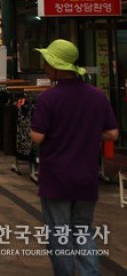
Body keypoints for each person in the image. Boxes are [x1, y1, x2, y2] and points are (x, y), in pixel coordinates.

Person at [30, 39, 118, 275]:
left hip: (57, 178)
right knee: (83, 231)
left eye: (48, 62)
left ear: (59, 67)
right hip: (86, 178)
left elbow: (37, 137)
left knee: (59, 235)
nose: (45, 66)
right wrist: (86, 132)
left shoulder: (48, 99)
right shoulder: (97, 96)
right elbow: (112, 133)